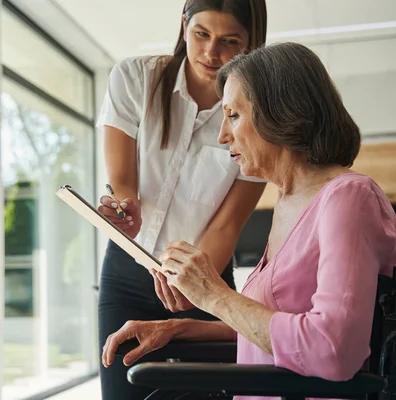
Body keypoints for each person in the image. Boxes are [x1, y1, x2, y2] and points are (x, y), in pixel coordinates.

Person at [101, 42, 396, 400]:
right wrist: (179, 328)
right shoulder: (291, 201)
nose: (222, 136)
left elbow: (331, 349)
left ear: (280, 113)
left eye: (233, 115)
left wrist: (214, 296)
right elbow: (281, 327)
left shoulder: (348, 198)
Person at [95, 1, 269, 398]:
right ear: (184, 25)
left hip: (205, 276)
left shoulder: (259, 117)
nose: (211, 53)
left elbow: (228, 223)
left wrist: (192, 283)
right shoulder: (135, 78)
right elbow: (122, 186)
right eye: (202, 34)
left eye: (230, 41)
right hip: (128, 273)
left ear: (251, 43)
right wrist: (124, 209)